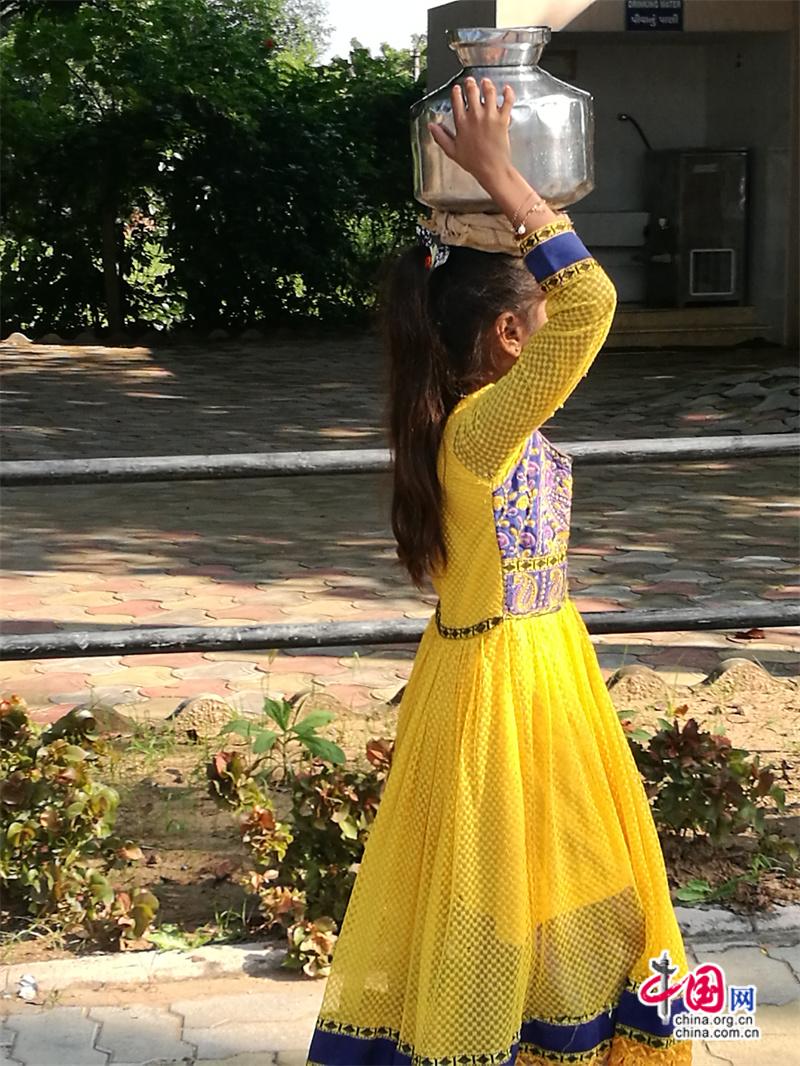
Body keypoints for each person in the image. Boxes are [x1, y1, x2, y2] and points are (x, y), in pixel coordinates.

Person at [306, 76, 692, 1066]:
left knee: (548, 883)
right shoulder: (480, 429)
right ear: (510, 336)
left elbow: (573, 309)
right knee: (505, 889)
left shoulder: (470, 424)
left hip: (532, 672)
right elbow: (593, 303)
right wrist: (505, 181)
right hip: (502, 690)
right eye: (537, 313)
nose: (553, 324)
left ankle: (543, 1034)